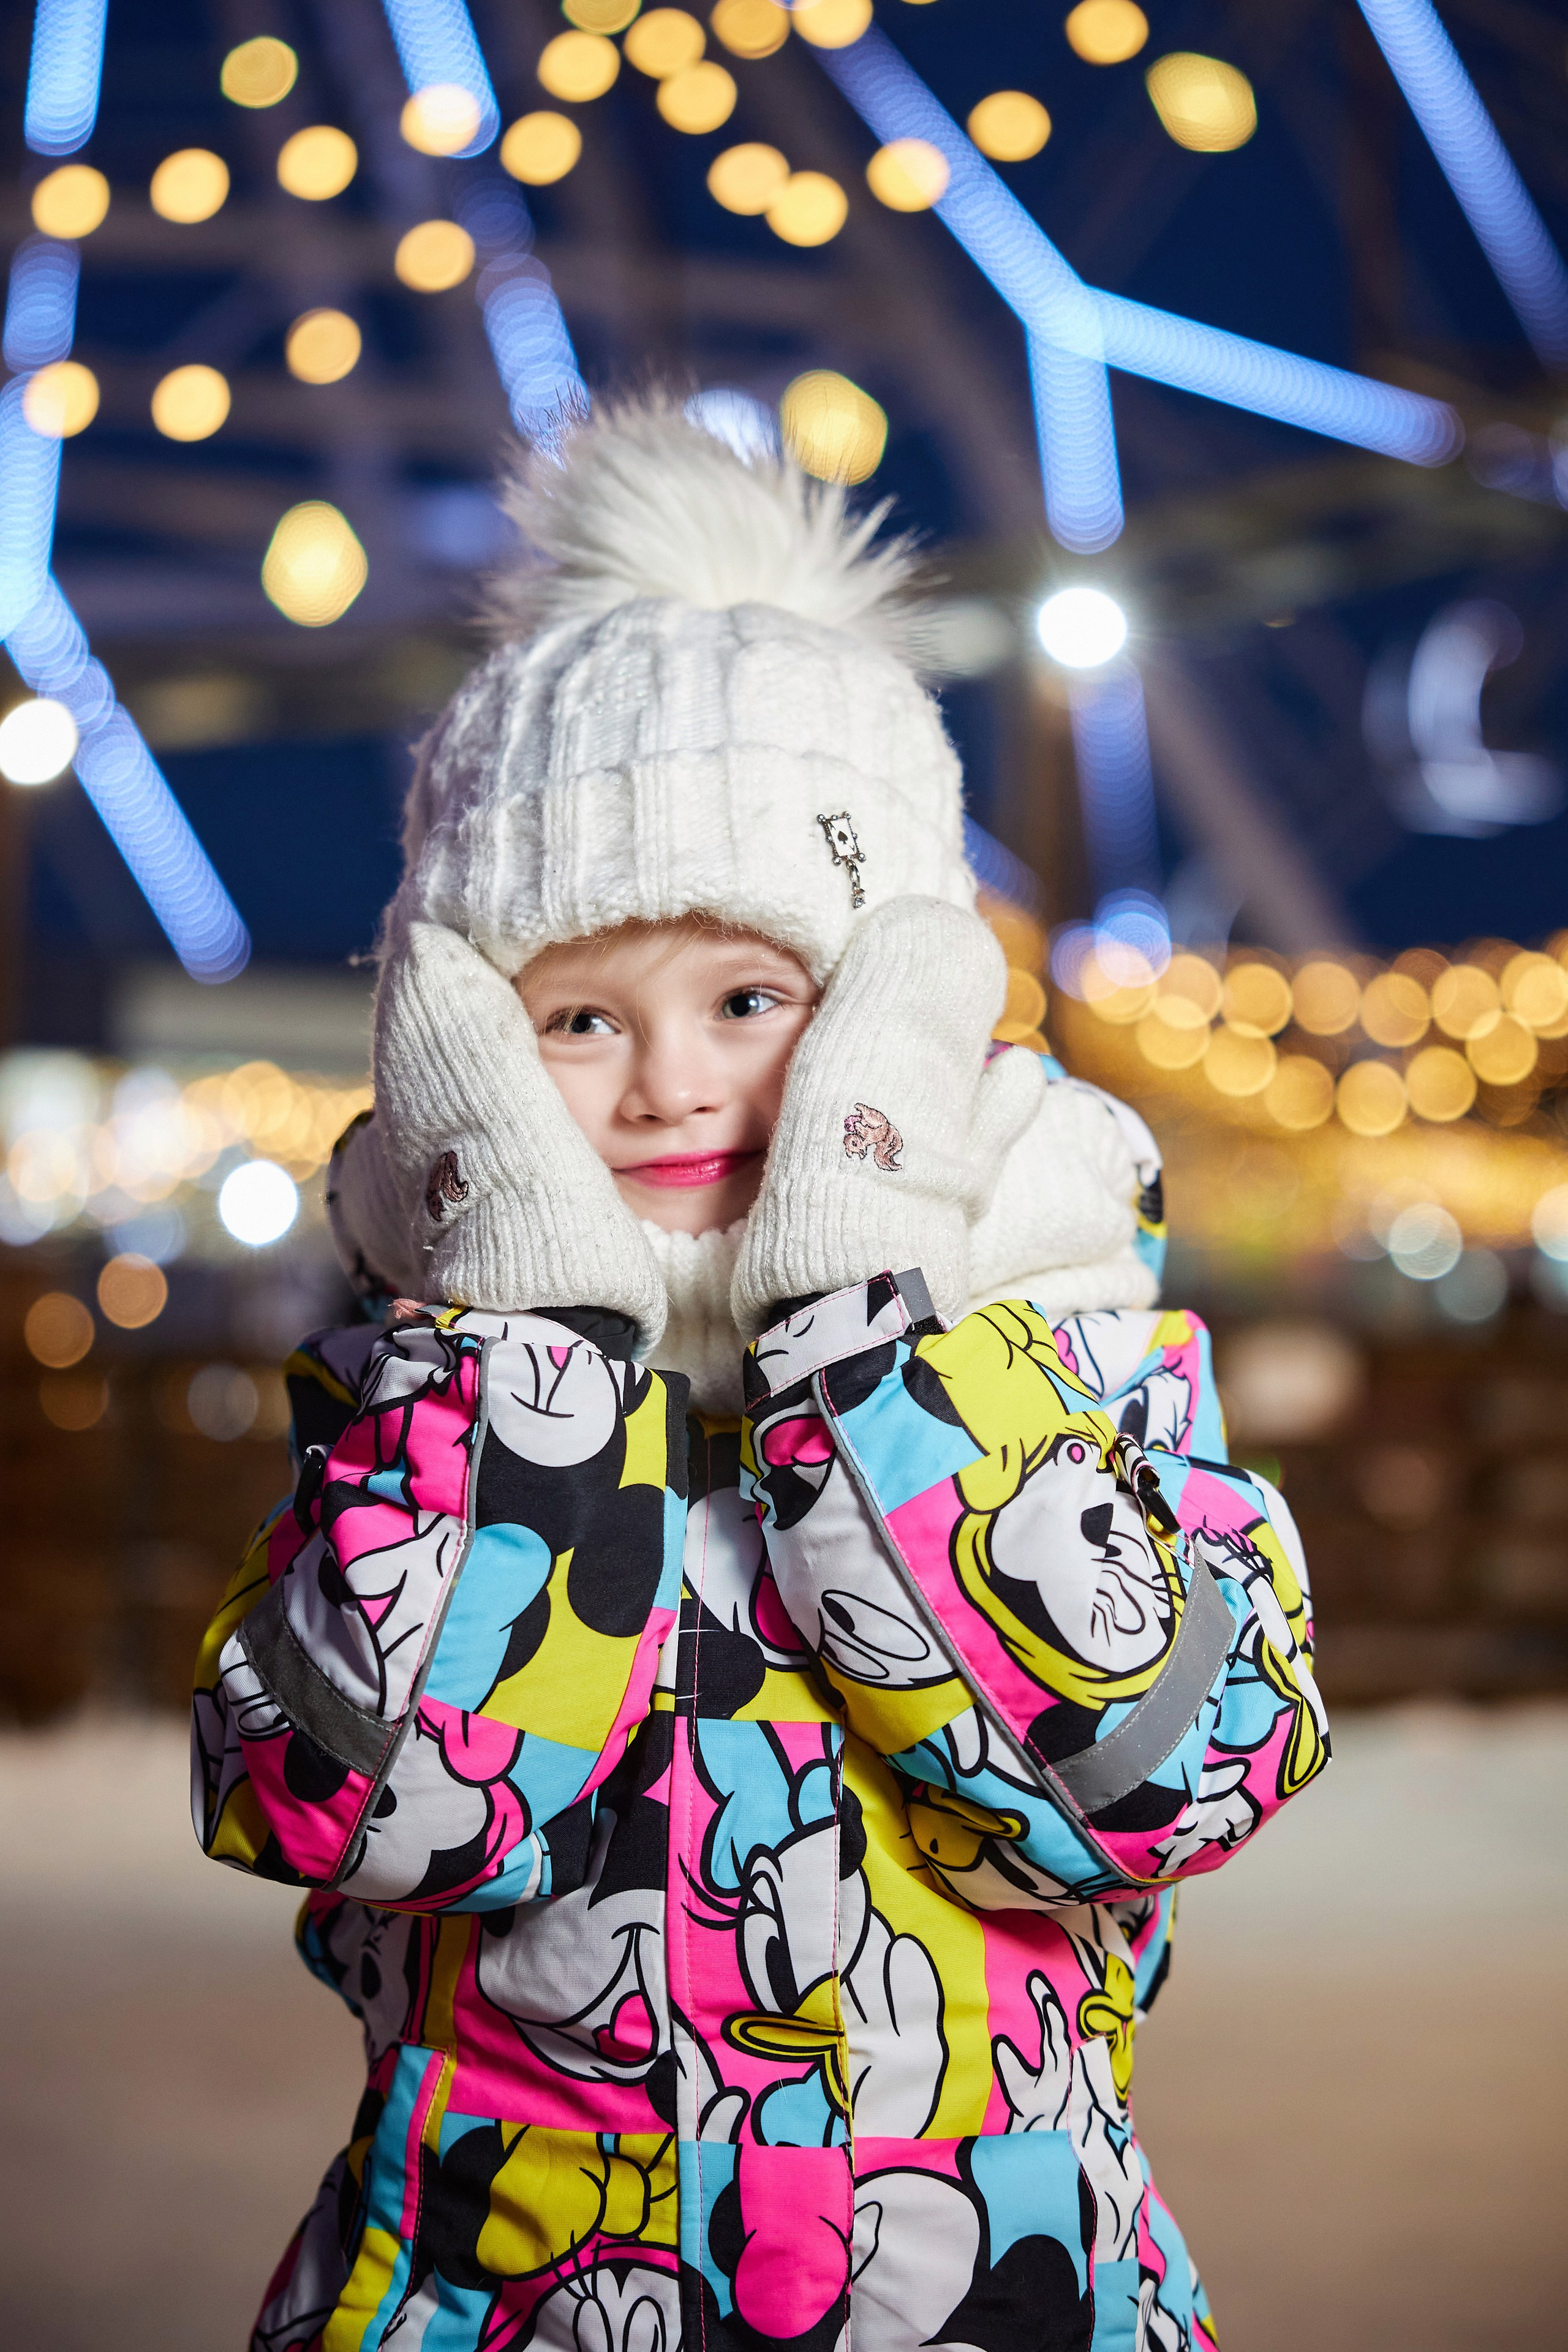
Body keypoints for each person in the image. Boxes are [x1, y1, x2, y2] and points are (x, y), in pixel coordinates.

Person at [191, 396, 1329, 2352]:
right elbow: (372, 1807)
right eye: (572, 1018)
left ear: (895, 1004)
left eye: (749, 996)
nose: (673, 1082)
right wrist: (532, 1345)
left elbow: (1147, 1786)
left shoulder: (1070, 1343)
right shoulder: (407, 1389)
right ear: (460, 1039)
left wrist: (861, 1325)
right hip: (488, 2298)